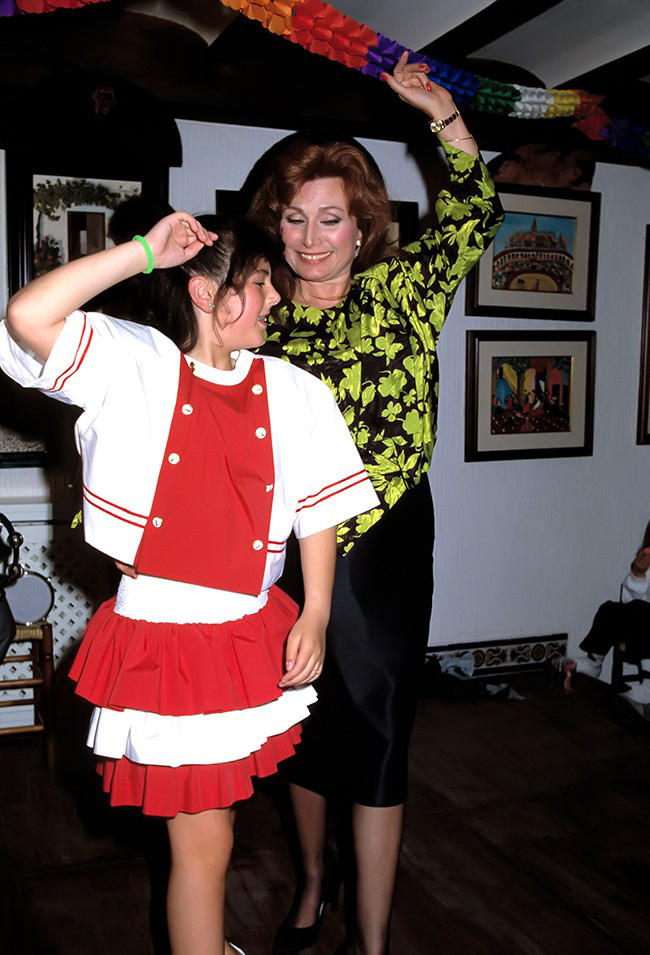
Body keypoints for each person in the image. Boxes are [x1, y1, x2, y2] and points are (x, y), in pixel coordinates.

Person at [0, 212, 379, 955]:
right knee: (204, 847)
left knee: (216, 834)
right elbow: (25, 313)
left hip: (246, 629)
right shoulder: (133, 362)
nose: (277, 297)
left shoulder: (296, 390)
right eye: (262, 282)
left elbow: (319, 512)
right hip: (169, 642)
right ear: (207, 294)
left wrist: (319, 612)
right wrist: (145, 252)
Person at [247, 52, 504, 955]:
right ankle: (313, 885)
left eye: (332, 219)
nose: (312, 238)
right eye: (294, 218)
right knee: (304, 727)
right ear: (275, 225)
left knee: (383, 728)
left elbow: (477, 213)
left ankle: (375, 940)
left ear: (364, 225)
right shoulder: (259, 312)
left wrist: (444, 119)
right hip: (286, 543)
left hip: (390, 541)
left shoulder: (405, 291)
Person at [579, 521, 650, 679]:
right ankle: (594, 661)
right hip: (642, 628)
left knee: (641, 610)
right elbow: (629, 604)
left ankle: (648, 679)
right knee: (610, 608)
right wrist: (638, 576)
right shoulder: (647, 563)